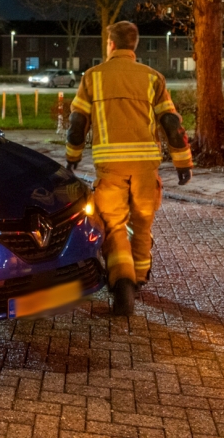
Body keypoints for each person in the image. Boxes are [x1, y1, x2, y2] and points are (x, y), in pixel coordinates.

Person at [65, 20, 193, 316]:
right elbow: (172, 125)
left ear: (110, 44)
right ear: (134, 45)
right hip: (146, 168)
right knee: (143, 223)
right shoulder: (153, 78)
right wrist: (183, 161)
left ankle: (122, 282)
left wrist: (73, 157)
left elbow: (77, 124)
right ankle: (139, 279)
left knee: (115, 225)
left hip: (110, 168)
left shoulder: (93, 77)